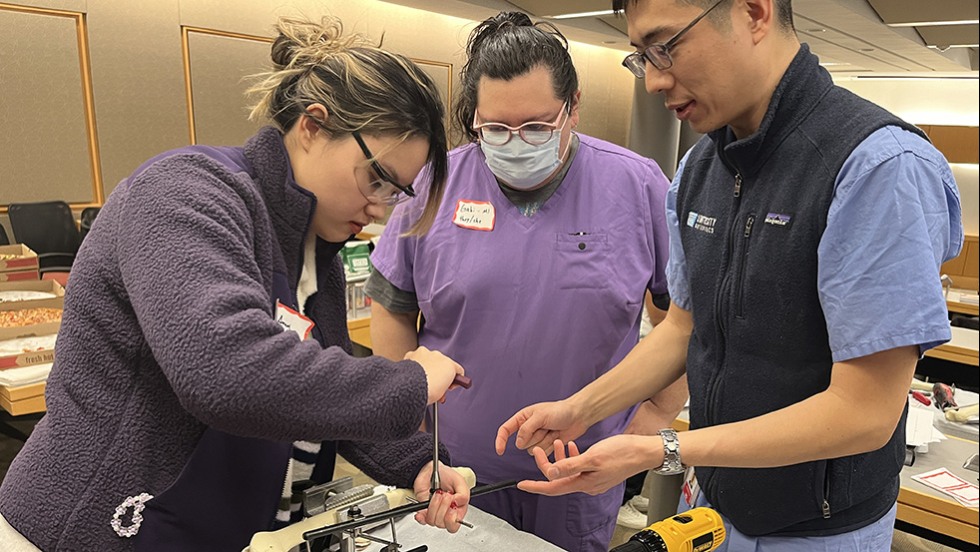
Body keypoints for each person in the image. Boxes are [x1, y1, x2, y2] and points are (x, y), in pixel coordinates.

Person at [496, 0, 963, 550]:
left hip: (816, 528)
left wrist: (666, 448)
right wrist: (581, 408)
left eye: (664, 47)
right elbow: (682, 329)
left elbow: (865, 412)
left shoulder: (875, 166)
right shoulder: (701, 168)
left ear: (754, 12)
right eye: (639, 57)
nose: (651, 80)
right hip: (714, 502)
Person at [0, 16, 471, 552]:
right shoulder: (184, 192)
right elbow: (226, 372)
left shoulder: (315, 250)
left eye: (396, 193)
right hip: (86, 528)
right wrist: (408, 382)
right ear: (312, 126)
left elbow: (318, 389)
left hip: (199, 524)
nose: (378, 206)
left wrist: (414, 463)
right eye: (376, 179)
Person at [366, 11, 685, 552]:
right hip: (454, 470)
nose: (515, 143)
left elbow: (681, 320)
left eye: (536, 126)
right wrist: (414, 443)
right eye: (495, 129)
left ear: (573, 107)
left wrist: (652, 419)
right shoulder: (437, 184)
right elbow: (393, 307)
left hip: (580, 471)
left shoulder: (636, 185)